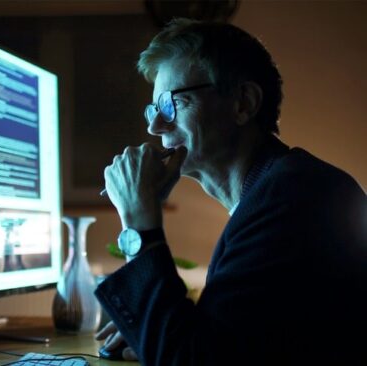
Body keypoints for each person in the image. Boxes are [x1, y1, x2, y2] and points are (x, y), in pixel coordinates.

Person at [94, 18, 366, 366]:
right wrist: (155, 334)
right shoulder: (276, 190)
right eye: (154, 109)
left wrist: (137, 217)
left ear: (243, 103)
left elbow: (191, 361)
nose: (155, 125)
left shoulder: (292, 198)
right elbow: (232, 345)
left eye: (170, 104)